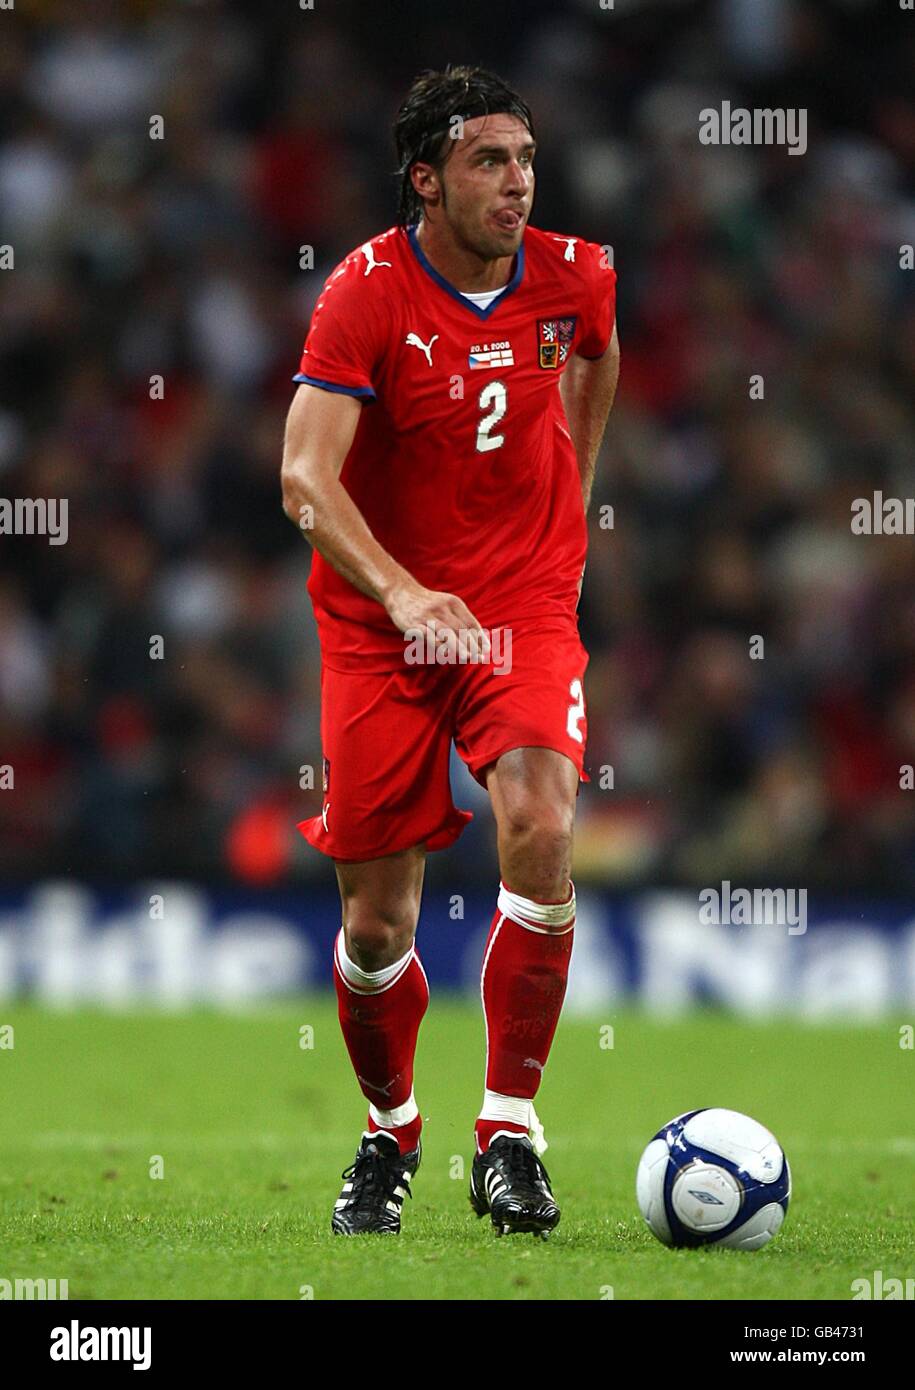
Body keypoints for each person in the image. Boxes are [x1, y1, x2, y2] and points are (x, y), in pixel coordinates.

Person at [281, 64, 619, 1238]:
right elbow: (304, 479)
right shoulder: (363, 295)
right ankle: (390, 1130)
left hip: (519, 602)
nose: (518, 182)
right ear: (426, 179)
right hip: (380, 626)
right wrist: (404, 589)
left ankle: (510, 1132)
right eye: (490, 161)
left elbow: (592, 357)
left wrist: (570, 498)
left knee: (542, 819)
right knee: (377, 928)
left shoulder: (579, 274)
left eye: (527, 159)